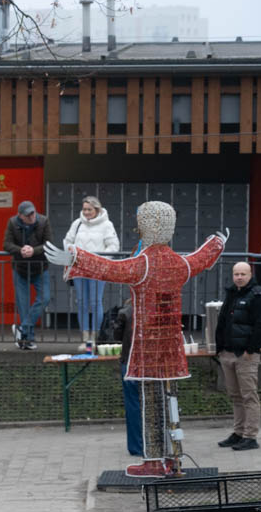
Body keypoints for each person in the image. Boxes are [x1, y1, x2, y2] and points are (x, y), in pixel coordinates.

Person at [46, 201, 227, 479]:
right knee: (170, 401)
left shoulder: (144, 263)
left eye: (141, 223)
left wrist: (75, 258)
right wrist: (216, 243)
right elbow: (199, 260)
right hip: (171, 345)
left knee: (152, 402)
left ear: (148, 227)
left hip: (148, 346)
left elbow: (109, 269)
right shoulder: (178, 263)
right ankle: (172, 456)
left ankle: (154, 460)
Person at [215, 261, 261, 452]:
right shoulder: (231, 293)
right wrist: (219, 348)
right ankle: (238, 433)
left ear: (250, 275)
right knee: (235, 396)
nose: (239, 277)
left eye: (243, 274)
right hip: (227, 353)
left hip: (245, 355)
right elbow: (222, 321)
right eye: (236, 274)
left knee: (249, 396)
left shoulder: (257, 296)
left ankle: (250, 436)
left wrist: (251, 350)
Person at [63, 196, 120, 351]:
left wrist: (98, 259)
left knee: (95, 302)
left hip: (96, 270)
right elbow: (67, 241)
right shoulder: (77, 223)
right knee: (81, 301)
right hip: (80, 268)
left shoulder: (107, 225)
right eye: (84, 209)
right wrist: (73, 253)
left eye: (90, 209)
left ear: (97, 209)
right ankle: (85, 338)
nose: (86, 212)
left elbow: (114, 246)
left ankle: (95, 337)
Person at [3, 200, 51, 350]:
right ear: (20, 216)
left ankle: (22, 329)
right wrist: (20, 250)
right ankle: (27, 340)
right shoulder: (12, 223)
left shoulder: (43, 221)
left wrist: (33, 251)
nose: (31, 216)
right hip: (20, 268)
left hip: (40, 267)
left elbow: (49, 244)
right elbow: (7, 244)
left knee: (45, 298)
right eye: (28, 215)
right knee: (23, 305)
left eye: (33, 213)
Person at [111, 296, 142, 458]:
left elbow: (117, 336)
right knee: (155, 403)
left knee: (133, 405)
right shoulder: (155, 310)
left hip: (130, 362)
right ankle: (155, 442)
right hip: (150, 364)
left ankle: (136, 446)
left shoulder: (125, 312)